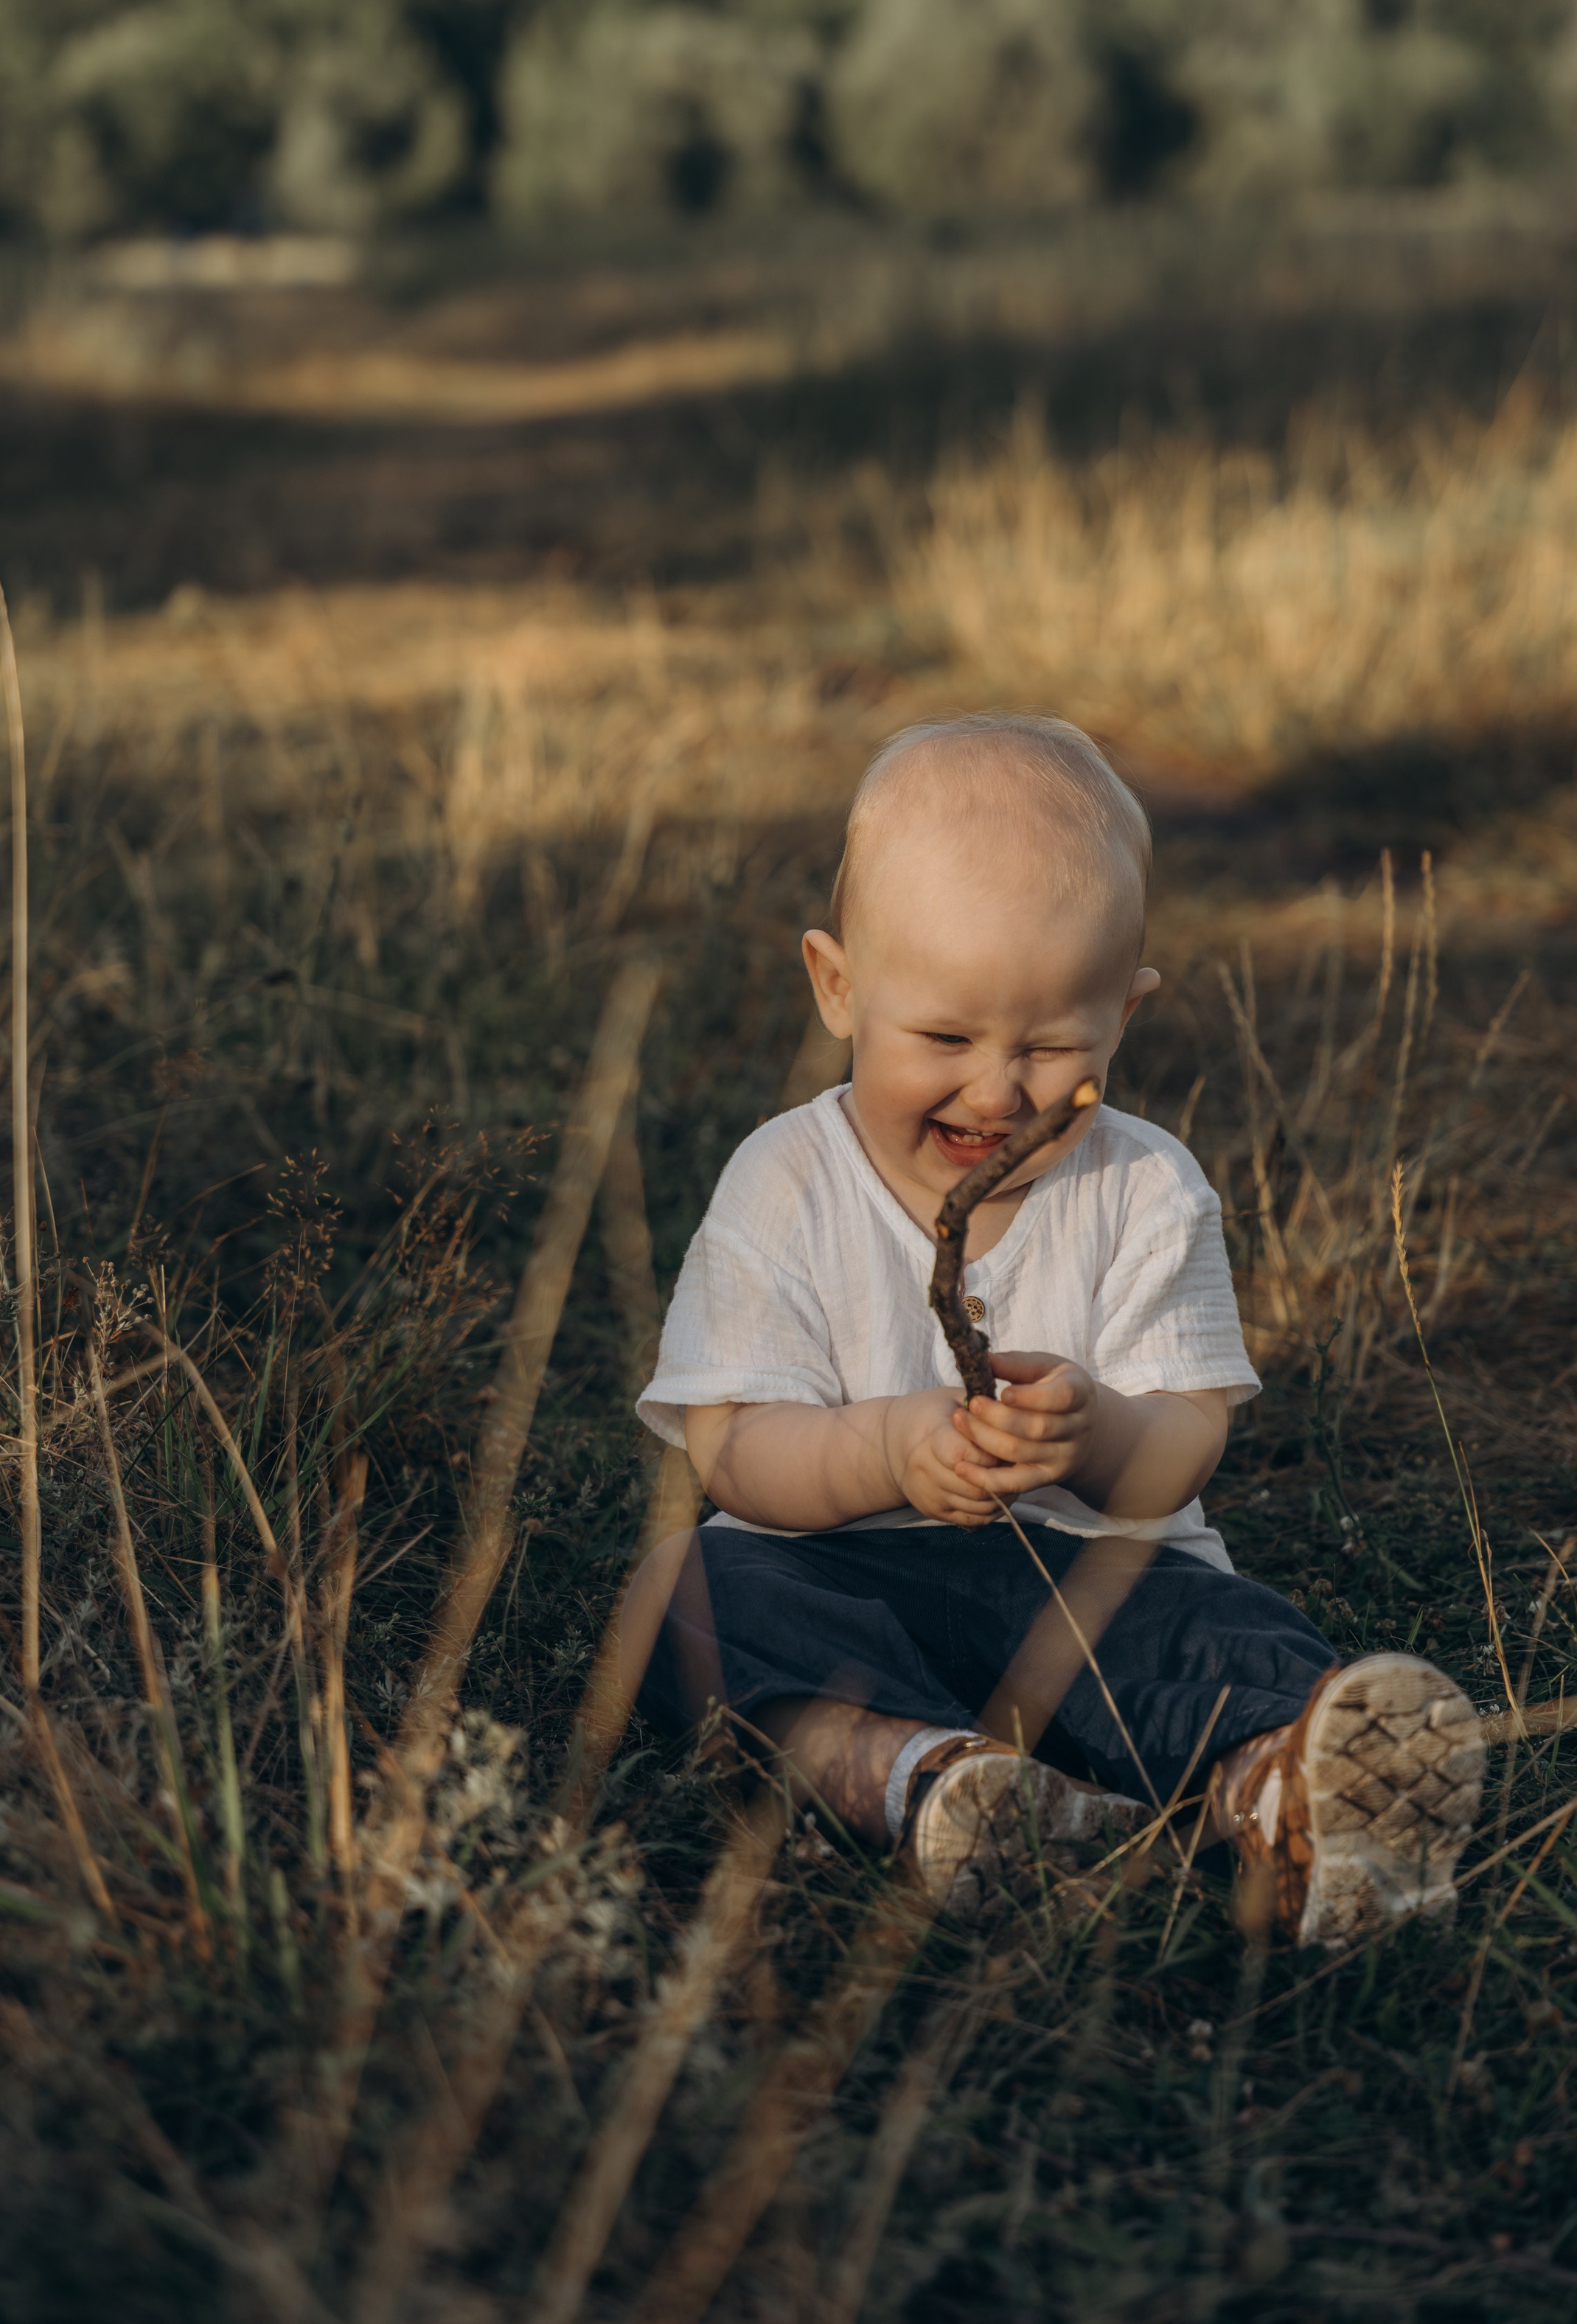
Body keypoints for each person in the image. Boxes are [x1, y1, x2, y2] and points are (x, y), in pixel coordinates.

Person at [630, 714, 1483, 1942]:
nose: (996, 1091)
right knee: (688, 1591)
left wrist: (1093, 1435)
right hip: (837, 1565)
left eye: (1048, 1047)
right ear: (838, 986)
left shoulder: (1145, 1188)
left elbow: (1181, 1450)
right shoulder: (785, 1183)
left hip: (1089, 1577)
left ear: (1124, 1016)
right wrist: (884, 1454)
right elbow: (732, 1447)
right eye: (943, 1039)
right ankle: (932, 1781)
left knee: (1216, 1632)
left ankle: (1293, 1797)